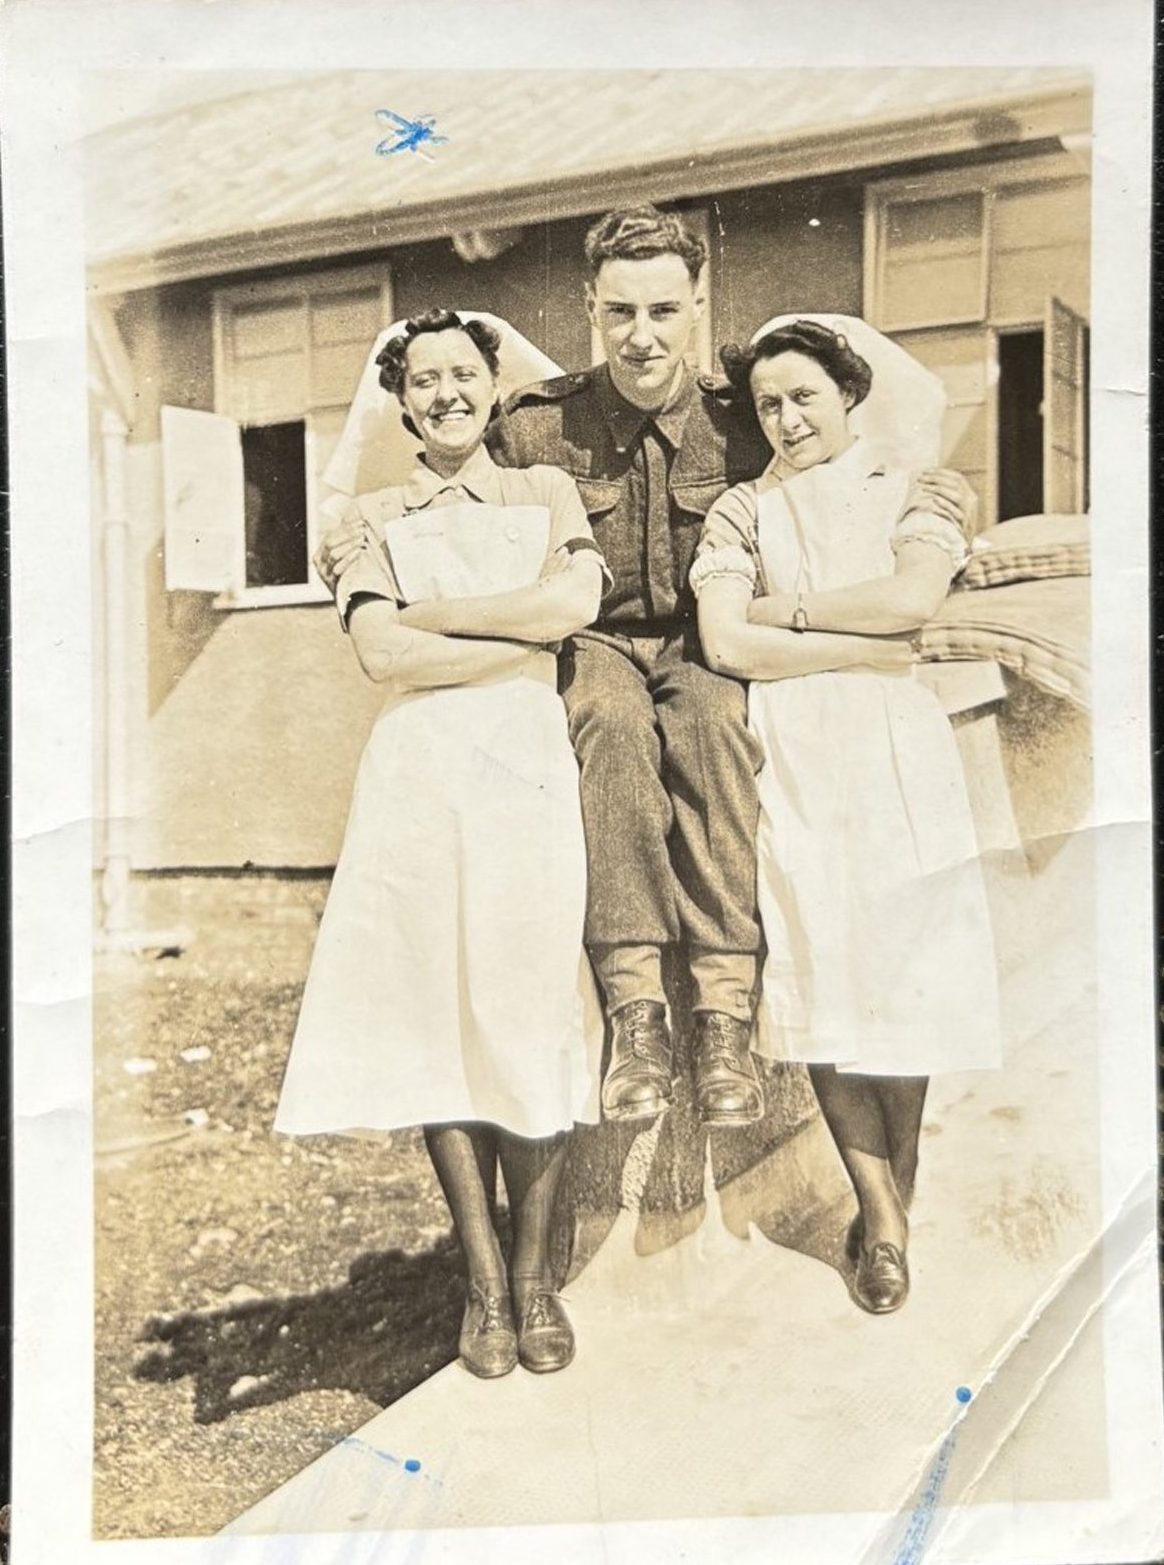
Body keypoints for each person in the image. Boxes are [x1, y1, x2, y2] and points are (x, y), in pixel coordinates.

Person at [316, 206, 976, 1132]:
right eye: (620, 311)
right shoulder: (538, 427)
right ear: (590, 308)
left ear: (699, 307)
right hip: (589, 642)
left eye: (665, 310)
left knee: (712, 728)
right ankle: (638, 1017)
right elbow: (463, 504)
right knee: (612, 732)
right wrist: (354, 544)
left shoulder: (742, 419)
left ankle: (721, 1017)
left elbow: (842, 492)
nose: (641, 335)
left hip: (708, 637)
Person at [275, 309, 608, 1379]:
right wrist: (517, 640)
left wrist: (449, 618)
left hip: (523, 770)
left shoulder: (542, 492)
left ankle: (534, 1275)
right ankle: (480, 1282)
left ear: (492, 385)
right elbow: (379, 651)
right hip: (418, 776)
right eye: (423, 381)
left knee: (528, 1002)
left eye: (463, 374)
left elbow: (577, 602)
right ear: (401, 398)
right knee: (438, 1014)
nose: (446, 394)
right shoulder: (370, 515)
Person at [692, 315, 1002, 1315]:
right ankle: (880, 1209)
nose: (785, 420)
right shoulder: (743, 510)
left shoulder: (911, 487)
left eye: (804, 398)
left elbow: (915, 597)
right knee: (822, 966)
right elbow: (725, 642)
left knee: (903, 971)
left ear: (848, 394)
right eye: (768, 404)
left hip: (896, 749)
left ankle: (889, 1205)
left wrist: (792, 613)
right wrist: (847, 635)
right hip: (794, 750)